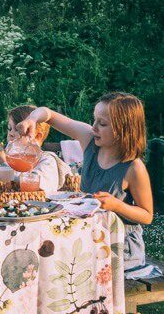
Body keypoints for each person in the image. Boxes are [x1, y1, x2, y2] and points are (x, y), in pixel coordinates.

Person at [17, 93, 161, 278]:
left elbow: (147, 215)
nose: (93, 128)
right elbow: (49, 115)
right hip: (90, 238)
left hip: (120, 249)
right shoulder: (90, 142)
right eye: (94, 120)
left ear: (123, 129)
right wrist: (32, 119)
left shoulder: (133, 167)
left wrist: (117, 205)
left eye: (102, 124)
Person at [0, 105, 72, 193]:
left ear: (37, 137)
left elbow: (37, 185)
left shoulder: (47, 160)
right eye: (9, 129)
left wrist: (3, 162)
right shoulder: (12, 157)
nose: (11, 134)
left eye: (18, 130)